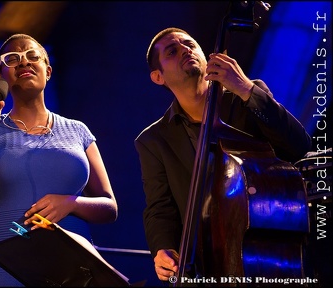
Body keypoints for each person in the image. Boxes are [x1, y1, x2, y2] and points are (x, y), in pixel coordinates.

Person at [134, 27, 312, 283]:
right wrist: (162, 249)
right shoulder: (152, 141)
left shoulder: (247, 98)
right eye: (173, 51)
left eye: (190, 44)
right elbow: (159, 208)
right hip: (205, 261)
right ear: (158, 77)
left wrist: (247, 89)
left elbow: (300, 147)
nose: (185, 50)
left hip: (263, 251)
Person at [0, 33, 118, 287]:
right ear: (1, 77)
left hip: (70, 266)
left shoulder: (77, 131)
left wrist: (71, 203)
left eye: (32, 56)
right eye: (12, 59)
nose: (23, 62)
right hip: (2, 264)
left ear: (48, 71)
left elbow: (110, 208)